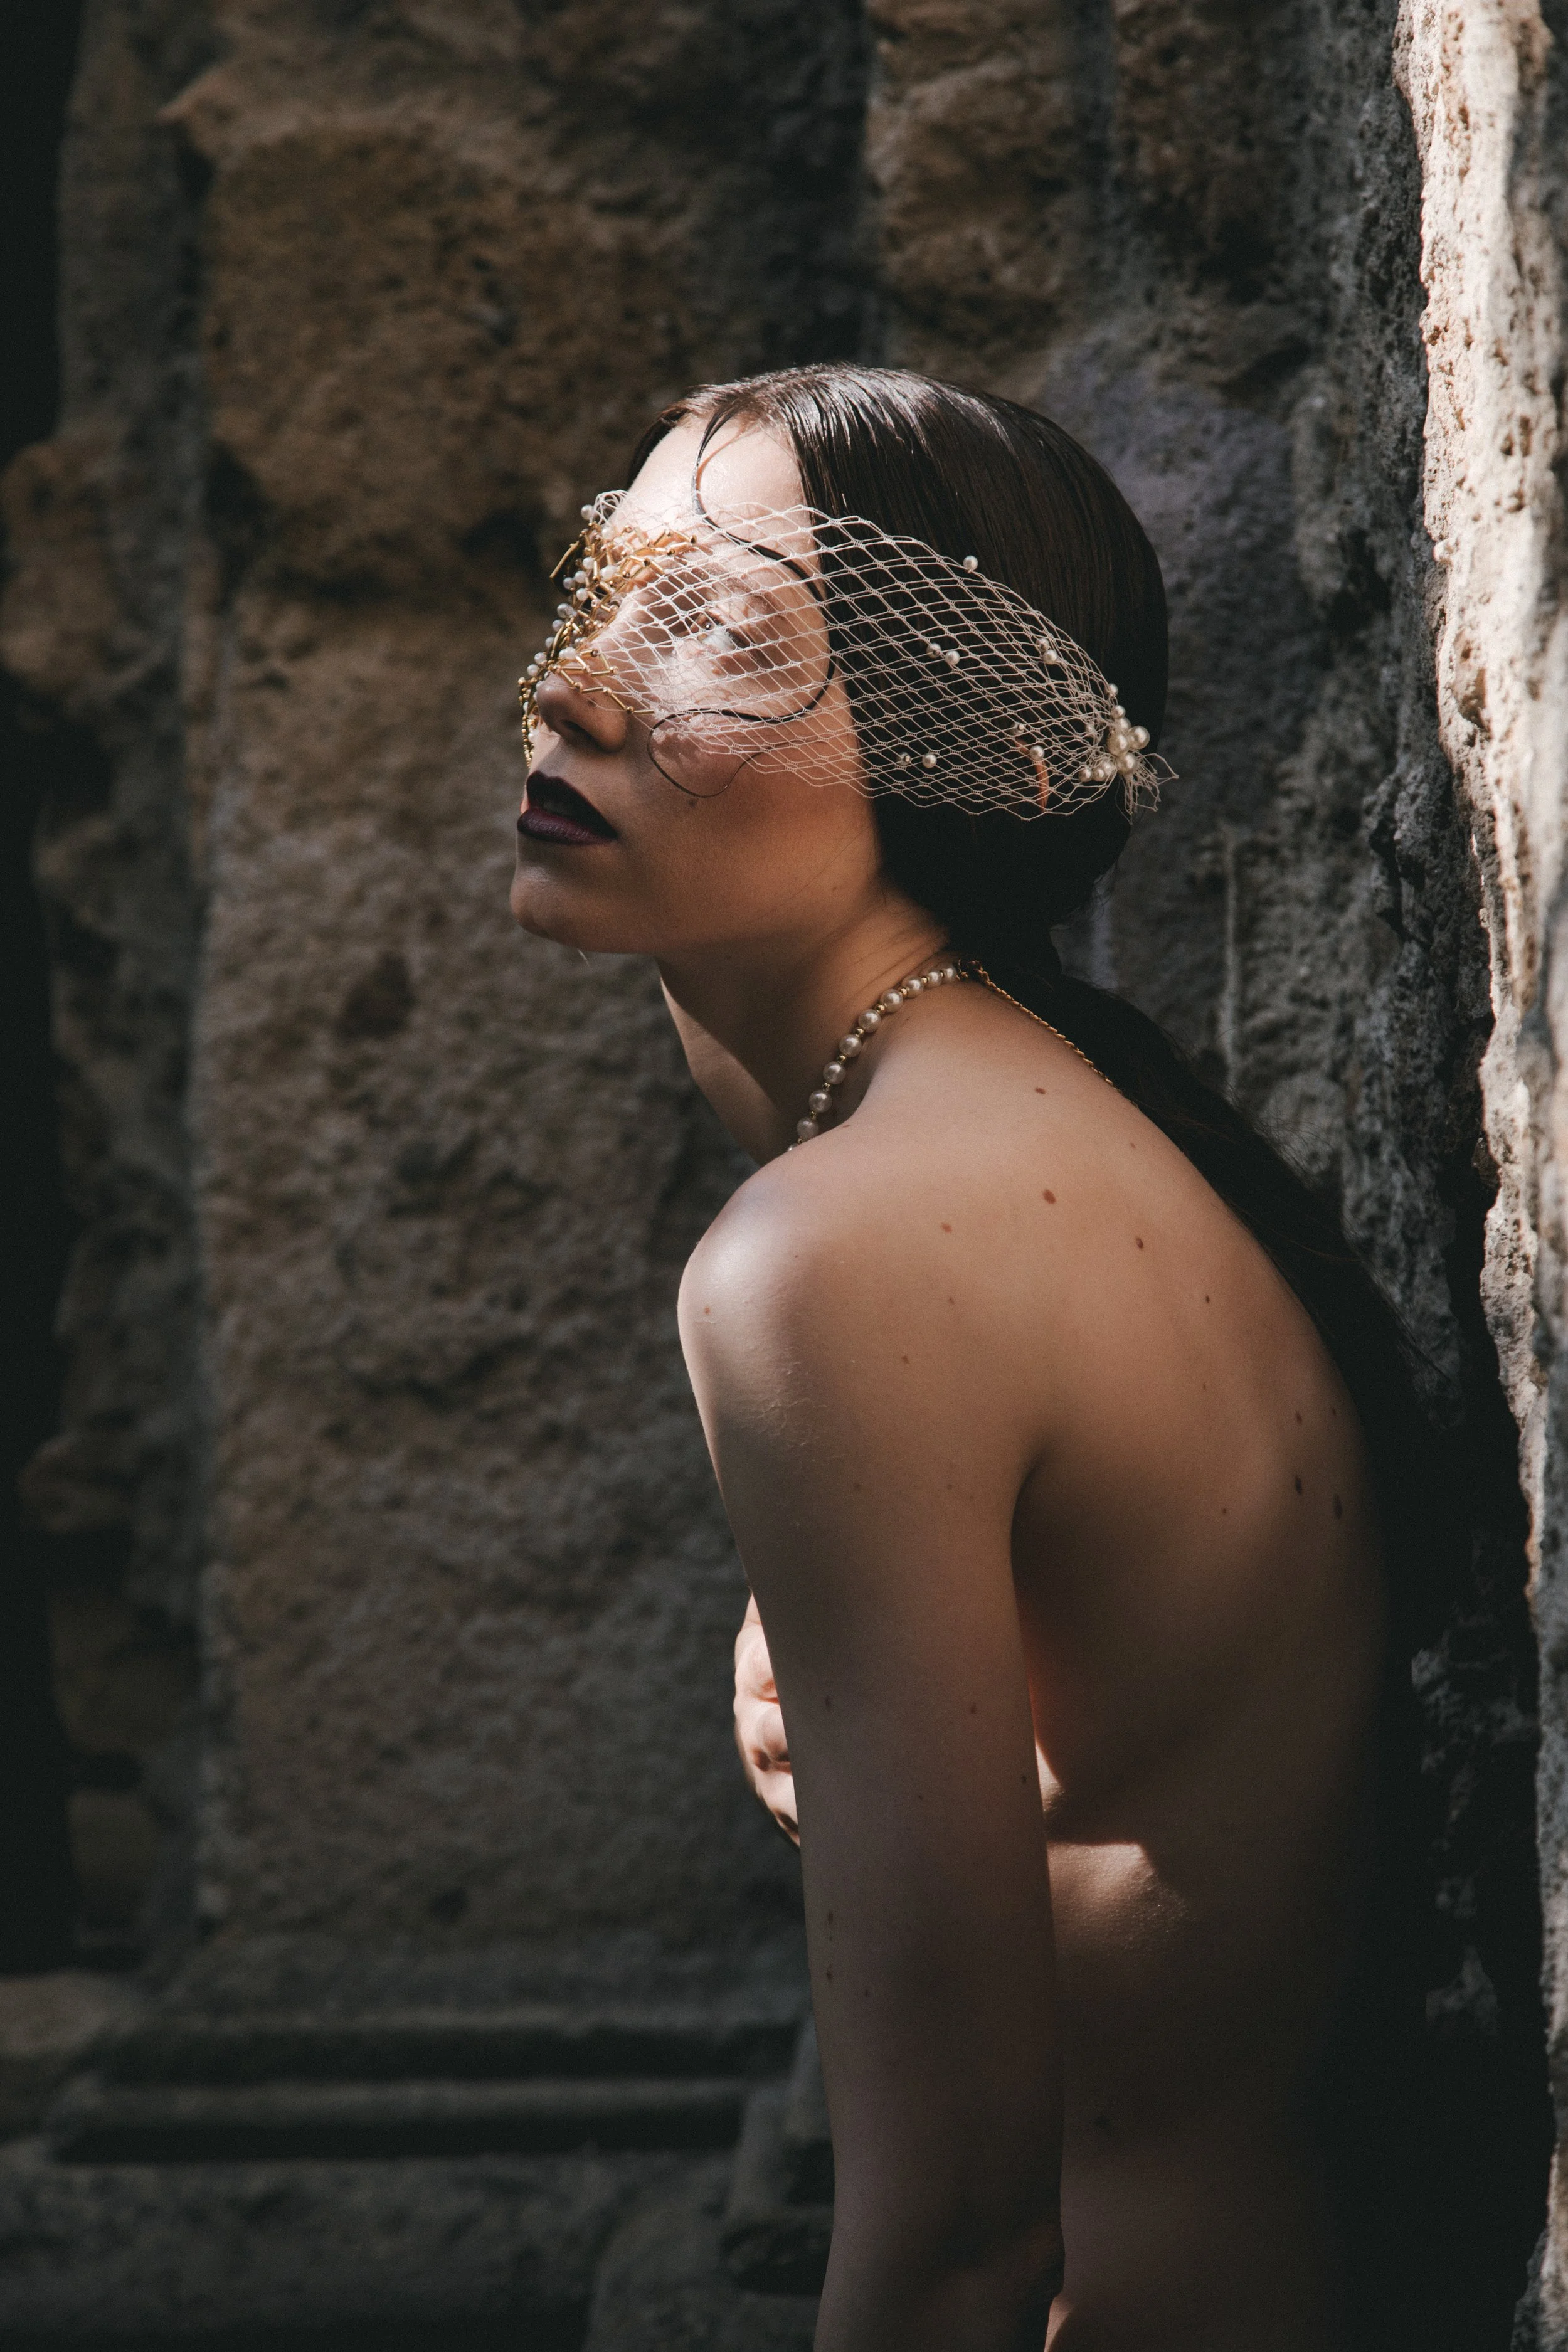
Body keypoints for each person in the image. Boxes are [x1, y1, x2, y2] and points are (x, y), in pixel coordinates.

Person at [509, 365, 1444, 2350]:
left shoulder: (836, 1257)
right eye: (603, 586)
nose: (571, 689)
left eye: (720, 638)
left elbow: (955, 2237)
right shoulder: (1038, 1142)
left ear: (998, 759)